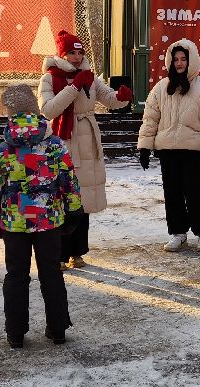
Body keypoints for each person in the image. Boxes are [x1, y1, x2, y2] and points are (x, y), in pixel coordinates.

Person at [0, 83, 82, 348]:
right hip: (48, 221)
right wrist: (73, 211)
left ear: (11, 114)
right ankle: (58, 328)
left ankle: (15, 333)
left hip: (14, 224)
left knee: (16, 275)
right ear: (35, 111)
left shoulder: (3, 150)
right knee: (51, 272)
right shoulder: (54, 145)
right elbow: (69, 181)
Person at [38, 28, 132, 268]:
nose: (77, 58)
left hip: (87, 140)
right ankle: (58, 254)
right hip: (62, 141)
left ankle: (77, 252)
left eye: (79, 53)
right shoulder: (50, 77)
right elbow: (48, 110)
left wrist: (122, 97)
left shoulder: (89, 75)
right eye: (71, 53)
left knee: (85, 198)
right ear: (62, 54)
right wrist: (73, 87)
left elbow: (107, 97)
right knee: (62, 198)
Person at [137, 38, 200, 252]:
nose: (179, 63)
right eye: (175, 59)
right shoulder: (160, 89)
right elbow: (150, 119)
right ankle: (178, 232)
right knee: (172, 194)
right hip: (167, 150)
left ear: (191, 60)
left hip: (192, 151)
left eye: (183, 59)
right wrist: (145, 147)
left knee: (193, 193)